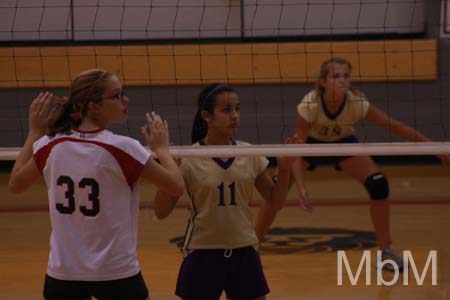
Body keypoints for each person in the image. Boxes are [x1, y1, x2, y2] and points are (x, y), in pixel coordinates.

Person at [8, 69, 185, 300]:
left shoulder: (49, 144)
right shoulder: (123, 148)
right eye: (116, 95)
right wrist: (162, 150)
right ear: (93, 106)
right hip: (115, 272)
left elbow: (16, 184)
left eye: (124, 93)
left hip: (63, 273)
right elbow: (176, 186)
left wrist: (34, 132)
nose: (125, 100)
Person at [291, 57, 450, 271]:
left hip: (342, 145)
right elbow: (297, 149)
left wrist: (434, 147)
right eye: (335, 76)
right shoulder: (309, 105)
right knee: (275, 188)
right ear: (323, 81)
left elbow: (394, 126)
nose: (342, 81)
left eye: (346, 76)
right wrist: (301, 187)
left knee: (378, 183)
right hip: (310, 146)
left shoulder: (356, 102)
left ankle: (386, 252)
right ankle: (251, 245)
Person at [153, 83, 295, 300]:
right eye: (227, 110)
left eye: (237, 109)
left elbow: (275, 202)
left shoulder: (249, 153)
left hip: (244, 250)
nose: (235, 116)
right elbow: (161, 212)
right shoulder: (188, 158)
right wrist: (169, 168)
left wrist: (285, 169)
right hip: (203, 253)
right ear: (207, 116)